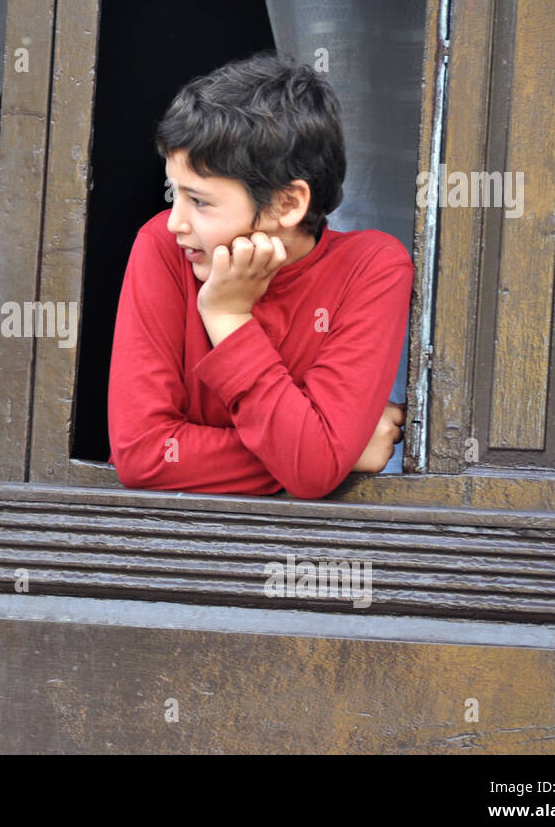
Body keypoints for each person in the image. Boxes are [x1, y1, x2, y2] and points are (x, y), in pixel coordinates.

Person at [107, 53, 413, 499]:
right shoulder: (164, 248)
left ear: (287, 204)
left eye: (201, 201)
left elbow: (312, 466)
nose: (176, 222)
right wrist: (334, 454)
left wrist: (228, 317)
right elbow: (143, 453)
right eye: (175, 193)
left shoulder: (372, 269)